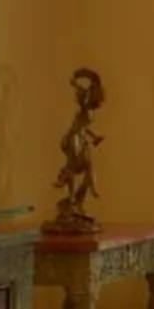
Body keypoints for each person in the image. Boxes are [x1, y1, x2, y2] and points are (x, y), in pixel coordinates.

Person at [51, 67, 105, 236]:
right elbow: (77, 128)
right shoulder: (84, 109)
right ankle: (72, 199)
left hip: (81, 139)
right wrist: (76, 82)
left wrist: (94, 137)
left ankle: (77, 201)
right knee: (75, 166)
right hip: (75, 138)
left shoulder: (90, 111)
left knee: (88, 168)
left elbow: (84, 129)